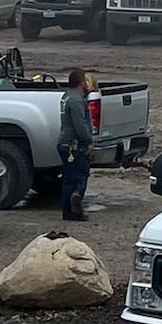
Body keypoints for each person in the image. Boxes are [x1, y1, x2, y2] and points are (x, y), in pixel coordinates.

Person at [58, 67, 94, 221]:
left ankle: (68, 210)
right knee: (81, 175)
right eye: (86, 81)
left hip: (64, 143)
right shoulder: (77, 100)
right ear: (80, 82)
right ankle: (75, 203)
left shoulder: (66, 96)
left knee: (69, 178)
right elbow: (80, 125)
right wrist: (88, 142)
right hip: (75, 145)